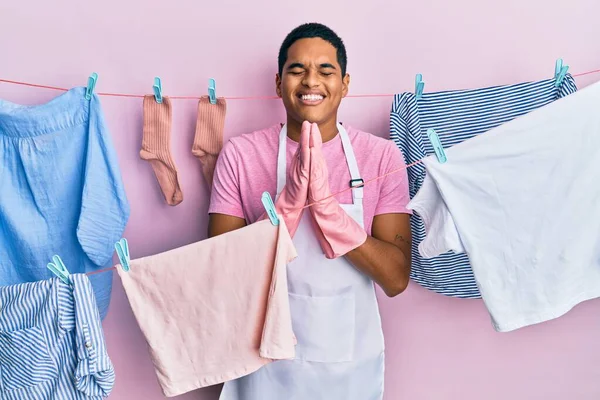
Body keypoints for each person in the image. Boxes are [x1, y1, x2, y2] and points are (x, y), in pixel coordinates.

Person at [208, 22, 412, 400]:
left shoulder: (381, 156)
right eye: (297, 69)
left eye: (325, 70)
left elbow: (396, 278)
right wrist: (285, 210)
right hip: (262, 366)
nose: (310, 81)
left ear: (345, 84)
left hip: (348, 368)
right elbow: (222, 274)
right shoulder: (240, 155)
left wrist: (332, 216)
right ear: (278, 81)